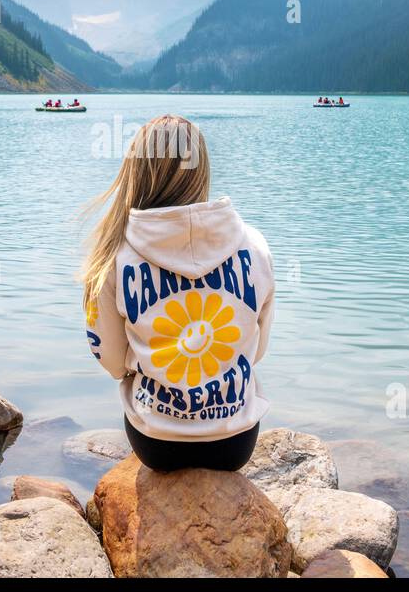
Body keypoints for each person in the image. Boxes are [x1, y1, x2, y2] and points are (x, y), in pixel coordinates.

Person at [80, 114, 274, 472]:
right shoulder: (255, 247)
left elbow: (110, 361)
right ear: (201, 171)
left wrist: (149, 362)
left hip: (157, 444)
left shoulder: (114, 258)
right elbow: (256, 350)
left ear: (136, 172)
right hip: (235, 443)